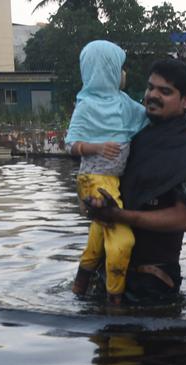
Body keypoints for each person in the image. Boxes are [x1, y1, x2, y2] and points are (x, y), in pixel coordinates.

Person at [83, 58, 186, 305]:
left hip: (152, 285)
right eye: (151, 87)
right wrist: (95, 205)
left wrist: (121, 216)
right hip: (108, 273)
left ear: (185, 101)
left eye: (165, 92)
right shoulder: (132, 134)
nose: (153, 95)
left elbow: (184, 220)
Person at [67, 40, 150, 304]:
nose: (123, 73)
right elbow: (70, 145)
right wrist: (97, 147)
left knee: (98, 237)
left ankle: (79, 287)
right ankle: (115, 301)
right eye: (119, 67)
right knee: (122, 241)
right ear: (104, 71)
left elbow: (149, 117)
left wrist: (185, 118)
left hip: (113, 180)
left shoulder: (123, 102)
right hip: (94, 180)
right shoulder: (86, 106)